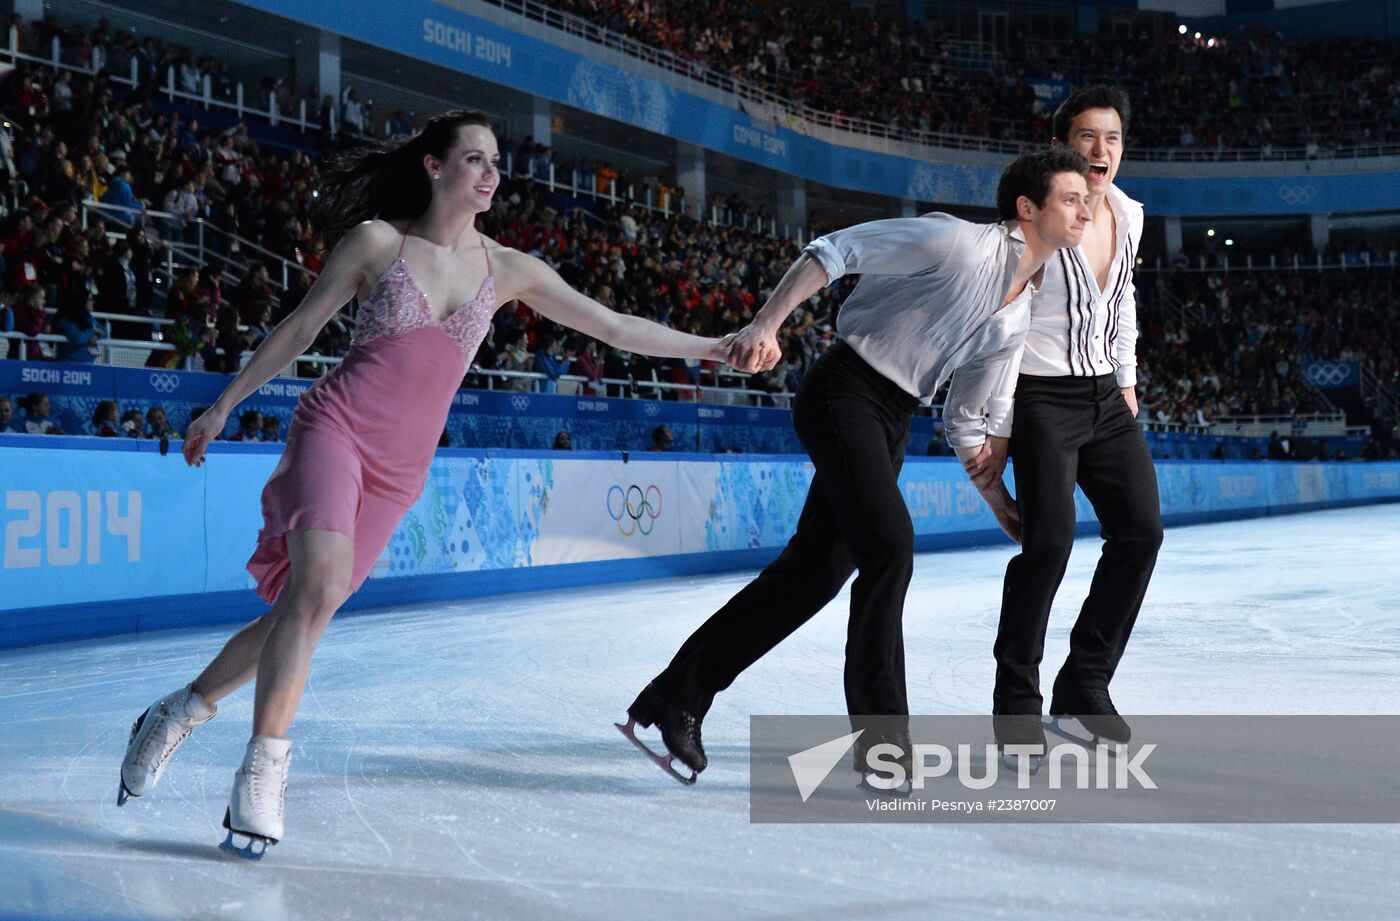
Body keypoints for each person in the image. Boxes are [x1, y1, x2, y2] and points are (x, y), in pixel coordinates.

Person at [116, 110, 750, 857]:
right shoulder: (378, 243)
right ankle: (262, 769)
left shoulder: (507, 268)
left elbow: (613, 326)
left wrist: (716, 346)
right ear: (434, 166)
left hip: (400, 470)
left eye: (495, 163)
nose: (491, 174)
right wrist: (224, 404)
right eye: (475, 159)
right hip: (337, 431)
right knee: (316, 592)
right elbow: (299, 329)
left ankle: (181, 709)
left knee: (302, 612)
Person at [622, 148, 1092, 782]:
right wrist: (767, 324)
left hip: (891, 419)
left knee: (814, 573)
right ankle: (882, 744)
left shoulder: (1016, 314)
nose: (1086, 209)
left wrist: (1001, 504)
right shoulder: (954, 241)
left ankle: (677, 693)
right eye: (1071, 198)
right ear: (1027, 207)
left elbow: (966, 419)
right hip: (844, 391)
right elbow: (832, 251)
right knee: (891, 549)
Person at [990, 87, 1163, 753]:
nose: (1102, 150)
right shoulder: (1029, 216)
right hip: (1039, 396)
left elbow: (1123, 303)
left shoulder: (1129, 212)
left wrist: (1126, 381)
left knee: (1141, 530)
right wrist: (995, 419)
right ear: (1061, 143)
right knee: (1050, 544)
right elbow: (998, 321)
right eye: (1088, 136)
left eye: (1113, 138)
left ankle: (1085, 681)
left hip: (1103, 395)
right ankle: (1016, 706)